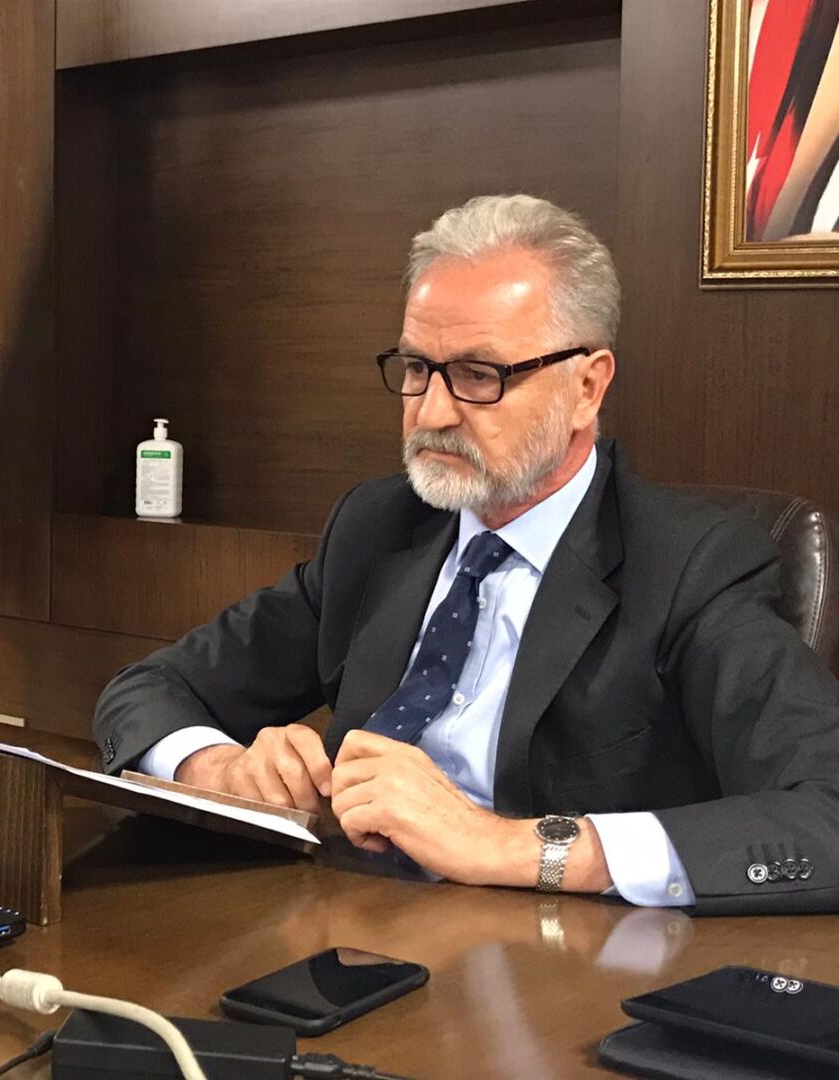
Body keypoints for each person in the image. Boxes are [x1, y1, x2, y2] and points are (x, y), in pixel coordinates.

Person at [93, 194, 839, 914]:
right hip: (343, 919)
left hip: (555, 960)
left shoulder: (690, 565)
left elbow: (826, 814)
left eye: (480, 376)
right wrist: (219, 769)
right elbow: (147, 690)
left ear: (587, 387)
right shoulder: (379, 527)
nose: (433, 411)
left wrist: (512, 846)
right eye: (418, 368)